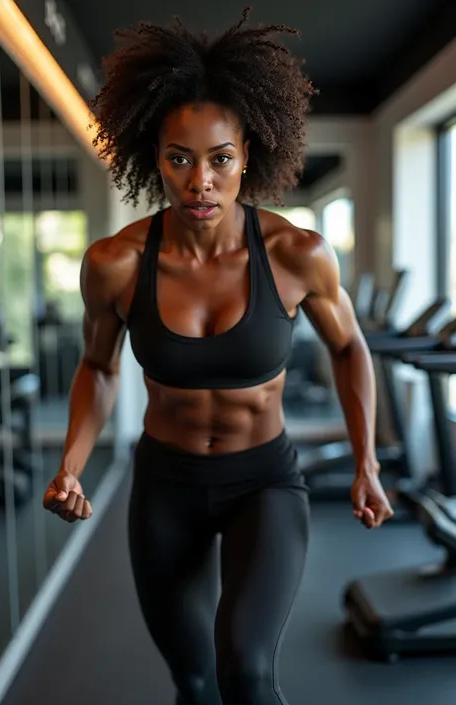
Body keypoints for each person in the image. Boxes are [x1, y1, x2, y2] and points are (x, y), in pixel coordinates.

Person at [43, 8, 394, 705]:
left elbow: (350, 344)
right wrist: (70, 465)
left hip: (262, 482)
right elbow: (101, 367)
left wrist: (366, 461)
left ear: (248, 156)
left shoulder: (297, 255)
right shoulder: (115, 265)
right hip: (164, 487)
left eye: (219, 159)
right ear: (154, 159)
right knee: (195, 681)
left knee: (245, 668)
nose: (199, 180)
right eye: (179, 158)